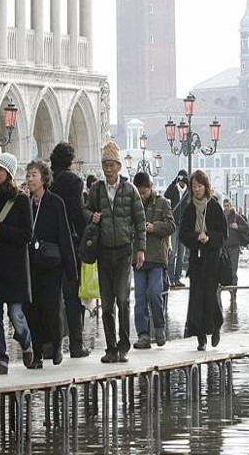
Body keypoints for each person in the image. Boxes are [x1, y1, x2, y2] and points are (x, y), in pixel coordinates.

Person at [87, 141, 146, 364]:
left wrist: (141, 248)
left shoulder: (130, 190)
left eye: (112, 165)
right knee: (106, 301)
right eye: (105, 165)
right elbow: (86, 209)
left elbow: (140, 220)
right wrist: (91, 216)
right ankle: (110, 347)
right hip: (103, 251)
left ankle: (124, 344)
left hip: (123, 251)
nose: (108, 169)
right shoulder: (97, 190)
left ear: (119, 167)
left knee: (122, 298)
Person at [0, 152, 35, 375]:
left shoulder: (21, 200)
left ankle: (26, 341)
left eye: (0, 170)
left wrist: (2, 230)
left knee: (16, 315)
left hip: (14, 268)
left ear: (9, 173)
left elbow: (27, 234)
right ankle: (0, 360)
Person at [25, 160, 77, 368]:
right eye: (28, 175)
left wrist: (71, 269)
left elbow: (65, 235)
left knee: (52, 306)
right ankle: (37, 353)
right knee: (33, 309)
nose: (30, 179)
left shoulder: (56, 203)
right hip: (31, 264)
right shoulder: (26, 203)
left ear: (43, 178)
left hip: (52, 264)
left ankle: (56, 345)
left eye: (34, 175)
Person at [178, 170, 227, 350]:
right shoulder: (189, 208)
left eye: (199, 186)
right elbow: (183, 234)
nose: (197, 189)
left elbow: (223, 234)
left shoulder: (214, 207)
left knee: (211, 296)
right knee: (196, 297)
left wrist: (210, 238)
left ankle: (215, 326)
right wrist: (196, 237)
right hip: (197, 259)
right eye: (194, 186)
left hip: (212, 258)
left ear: (205, 186)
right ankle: (200, 336)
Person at [50, 141, 89, 358]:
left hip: (50, 245)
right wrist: (86, 236)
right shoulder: (74, 182)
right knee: (73, 297)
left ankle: (51, 346)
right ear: (71, 160)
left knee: (53, 297)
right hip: (71, 245)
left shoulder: (50, 181)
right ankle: (76, 344)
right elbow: (76, 212)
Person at [132, 171, 175, 349]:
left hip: (157, 258)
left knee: (155, 294)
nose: (142, 196)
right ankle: (143, 334)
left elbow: (171, 226)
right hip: (138, 258)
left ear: (151, 188)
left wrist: (154, 227)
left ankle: (159, 327)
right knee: (140, 297)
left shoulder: (163, 203)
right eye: (139, 193)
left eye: (145, 192)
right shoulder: (132, 204)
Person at [164, 170, 189, 287]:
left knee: (181, 253)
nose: (182, 183)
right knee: (173, 253)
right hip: (174, 225)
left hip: (184, 226)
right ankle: (170, 278)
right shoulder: (174, 189)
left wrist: (187, 181)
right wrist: (175, 180)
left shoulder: (188, 192)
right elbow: (166, 195)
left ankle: (178, 278)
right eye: (181, 180)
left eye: (183, 180)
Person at [223, 198, 249, 285]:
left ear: (231, 206)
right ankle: (223, 291)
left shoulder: (236, 217)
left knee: (233, 271)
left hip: (235, 247)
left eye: (228, 206)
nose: (226, 208)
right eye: (225, 206)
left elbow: (246, 227)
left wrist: (238, 227)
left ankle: (233, 292)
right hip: (224, 248)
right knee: (223, 270)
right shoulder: (221, 216)